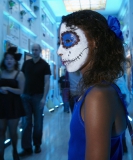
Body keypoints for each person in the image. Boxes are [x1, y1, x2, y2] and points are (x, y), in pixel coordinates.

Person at [57, 10, 129, 160]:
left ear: (94, 42)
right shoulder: (98, 89)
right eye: (60, 43)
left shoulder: (98, 95)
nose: (59, 51)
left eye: (68, 41)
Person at [19, 43, 51, 156]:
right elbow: (22, 78)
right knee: (26, 122)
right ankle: (27, 147)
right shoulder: (26, 63)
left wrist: (44, 98)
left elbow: (47, 82)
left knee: (38, 122)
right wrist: (20, 93)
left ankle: (37, 144)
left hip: (38, 97)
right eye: (33, 50)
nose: (34, 51)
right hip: (26, 96)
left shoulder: (45, 65)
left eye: (36, 49)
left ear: (40, 51)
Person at [0, 47, 25, 160]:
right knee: (1, 130)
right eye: (7, 59)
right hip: (1, 104)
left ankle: (15, 151)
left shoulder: (19, 74)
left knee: (12, 131)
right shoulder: (1, 73)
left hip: (14, 105)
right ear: (4, 61)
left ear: (15, 61)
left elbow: (21, 91)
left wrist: (8, 88)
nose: (9, 61)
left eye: (11, 59)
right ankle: (1, 154)